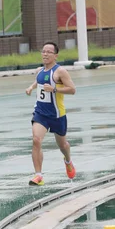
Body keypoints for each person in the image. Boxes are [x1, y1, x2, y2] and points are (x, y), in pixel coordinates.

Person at [25, 42, 76, 186]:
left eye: (49, 52)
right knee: (36, 140)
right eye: (43, 51)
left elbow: (72, 89)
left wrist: (55, 90)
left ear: (55, 55)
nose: (45, 54)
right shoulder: (40, 71)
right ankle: (38, 176)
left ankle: (68, 160)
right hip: (41, 114)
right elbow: (38, 81)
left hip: (57, 115)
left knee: (63, 145)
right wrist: (30, 87)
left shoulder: (60, 72)